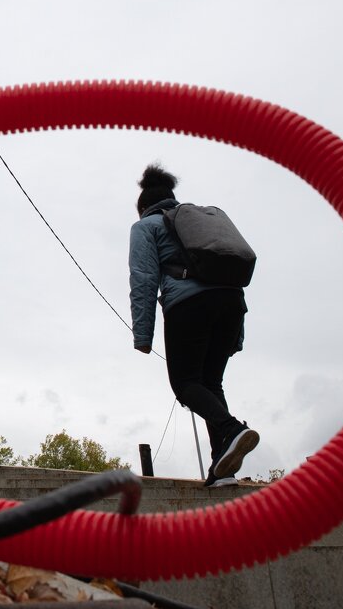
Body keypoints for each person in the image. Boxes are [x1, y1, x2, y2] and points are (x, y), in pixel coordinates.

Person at [128, 164, 258, 487]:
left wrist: (143, 336)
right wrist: (236, 335)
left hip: (188, 305)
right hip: (231, 306)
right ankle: (222, 468)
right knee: (211, 383)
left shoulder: (146, 226)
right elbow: (227, 273)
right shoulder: (200, 223)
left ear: (144, 207)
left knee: (185, 383)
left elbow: (143, 279)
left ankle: (230, 430)